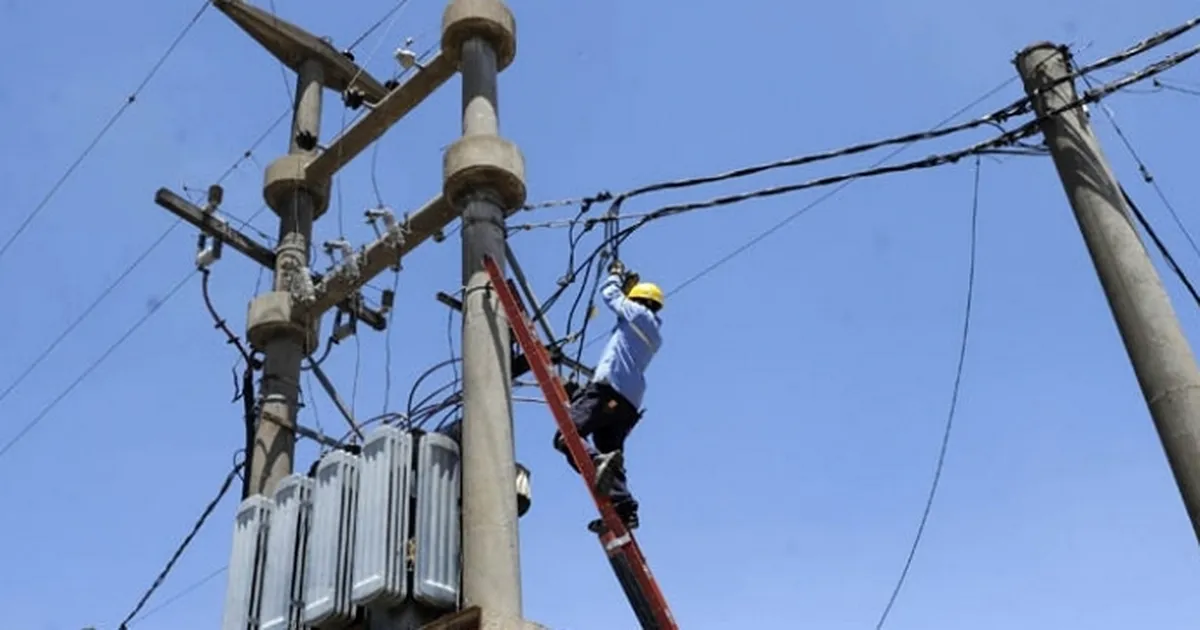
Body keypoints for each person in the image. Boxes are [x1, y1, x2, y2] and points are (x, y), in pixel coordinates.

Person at [554, 259, 664, 533]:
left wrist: (614, 276)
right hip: (627, 404)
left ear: (638, 301)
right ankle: (625, 509)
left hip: (610, 389)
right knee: (609, 453)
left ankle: (597, 463)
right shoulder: (651, 332)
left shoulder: (638, 314)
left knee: (567, 437)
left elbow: (610, 296)